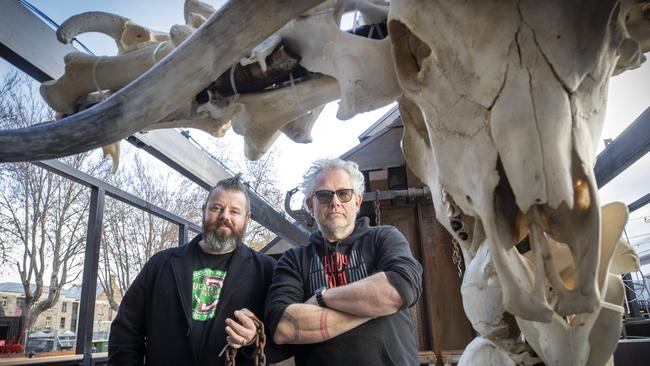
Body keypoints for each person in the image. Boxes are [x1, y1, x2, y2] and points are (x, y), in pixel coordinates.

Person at [109, 174, 283, 365]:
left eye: (235, 211)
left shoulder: (268, 270)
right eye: (217, 208)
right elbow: (125, 332)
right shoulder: (160, 265)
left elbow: (283, 338)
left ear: (247, 218)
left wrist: (252, 340)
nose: (225, 216)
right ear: (204, 210)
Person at [265, 158, 423, 365]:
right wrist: (374, 306)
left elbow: (401, 288)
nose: (335, 202)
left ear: (357, 201)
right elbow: (283, 326)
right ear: (309, 204)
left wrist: (321, 298)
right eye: (324, 195)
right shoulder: (294, 260)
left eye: (344, 193)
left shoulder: (384, 237)